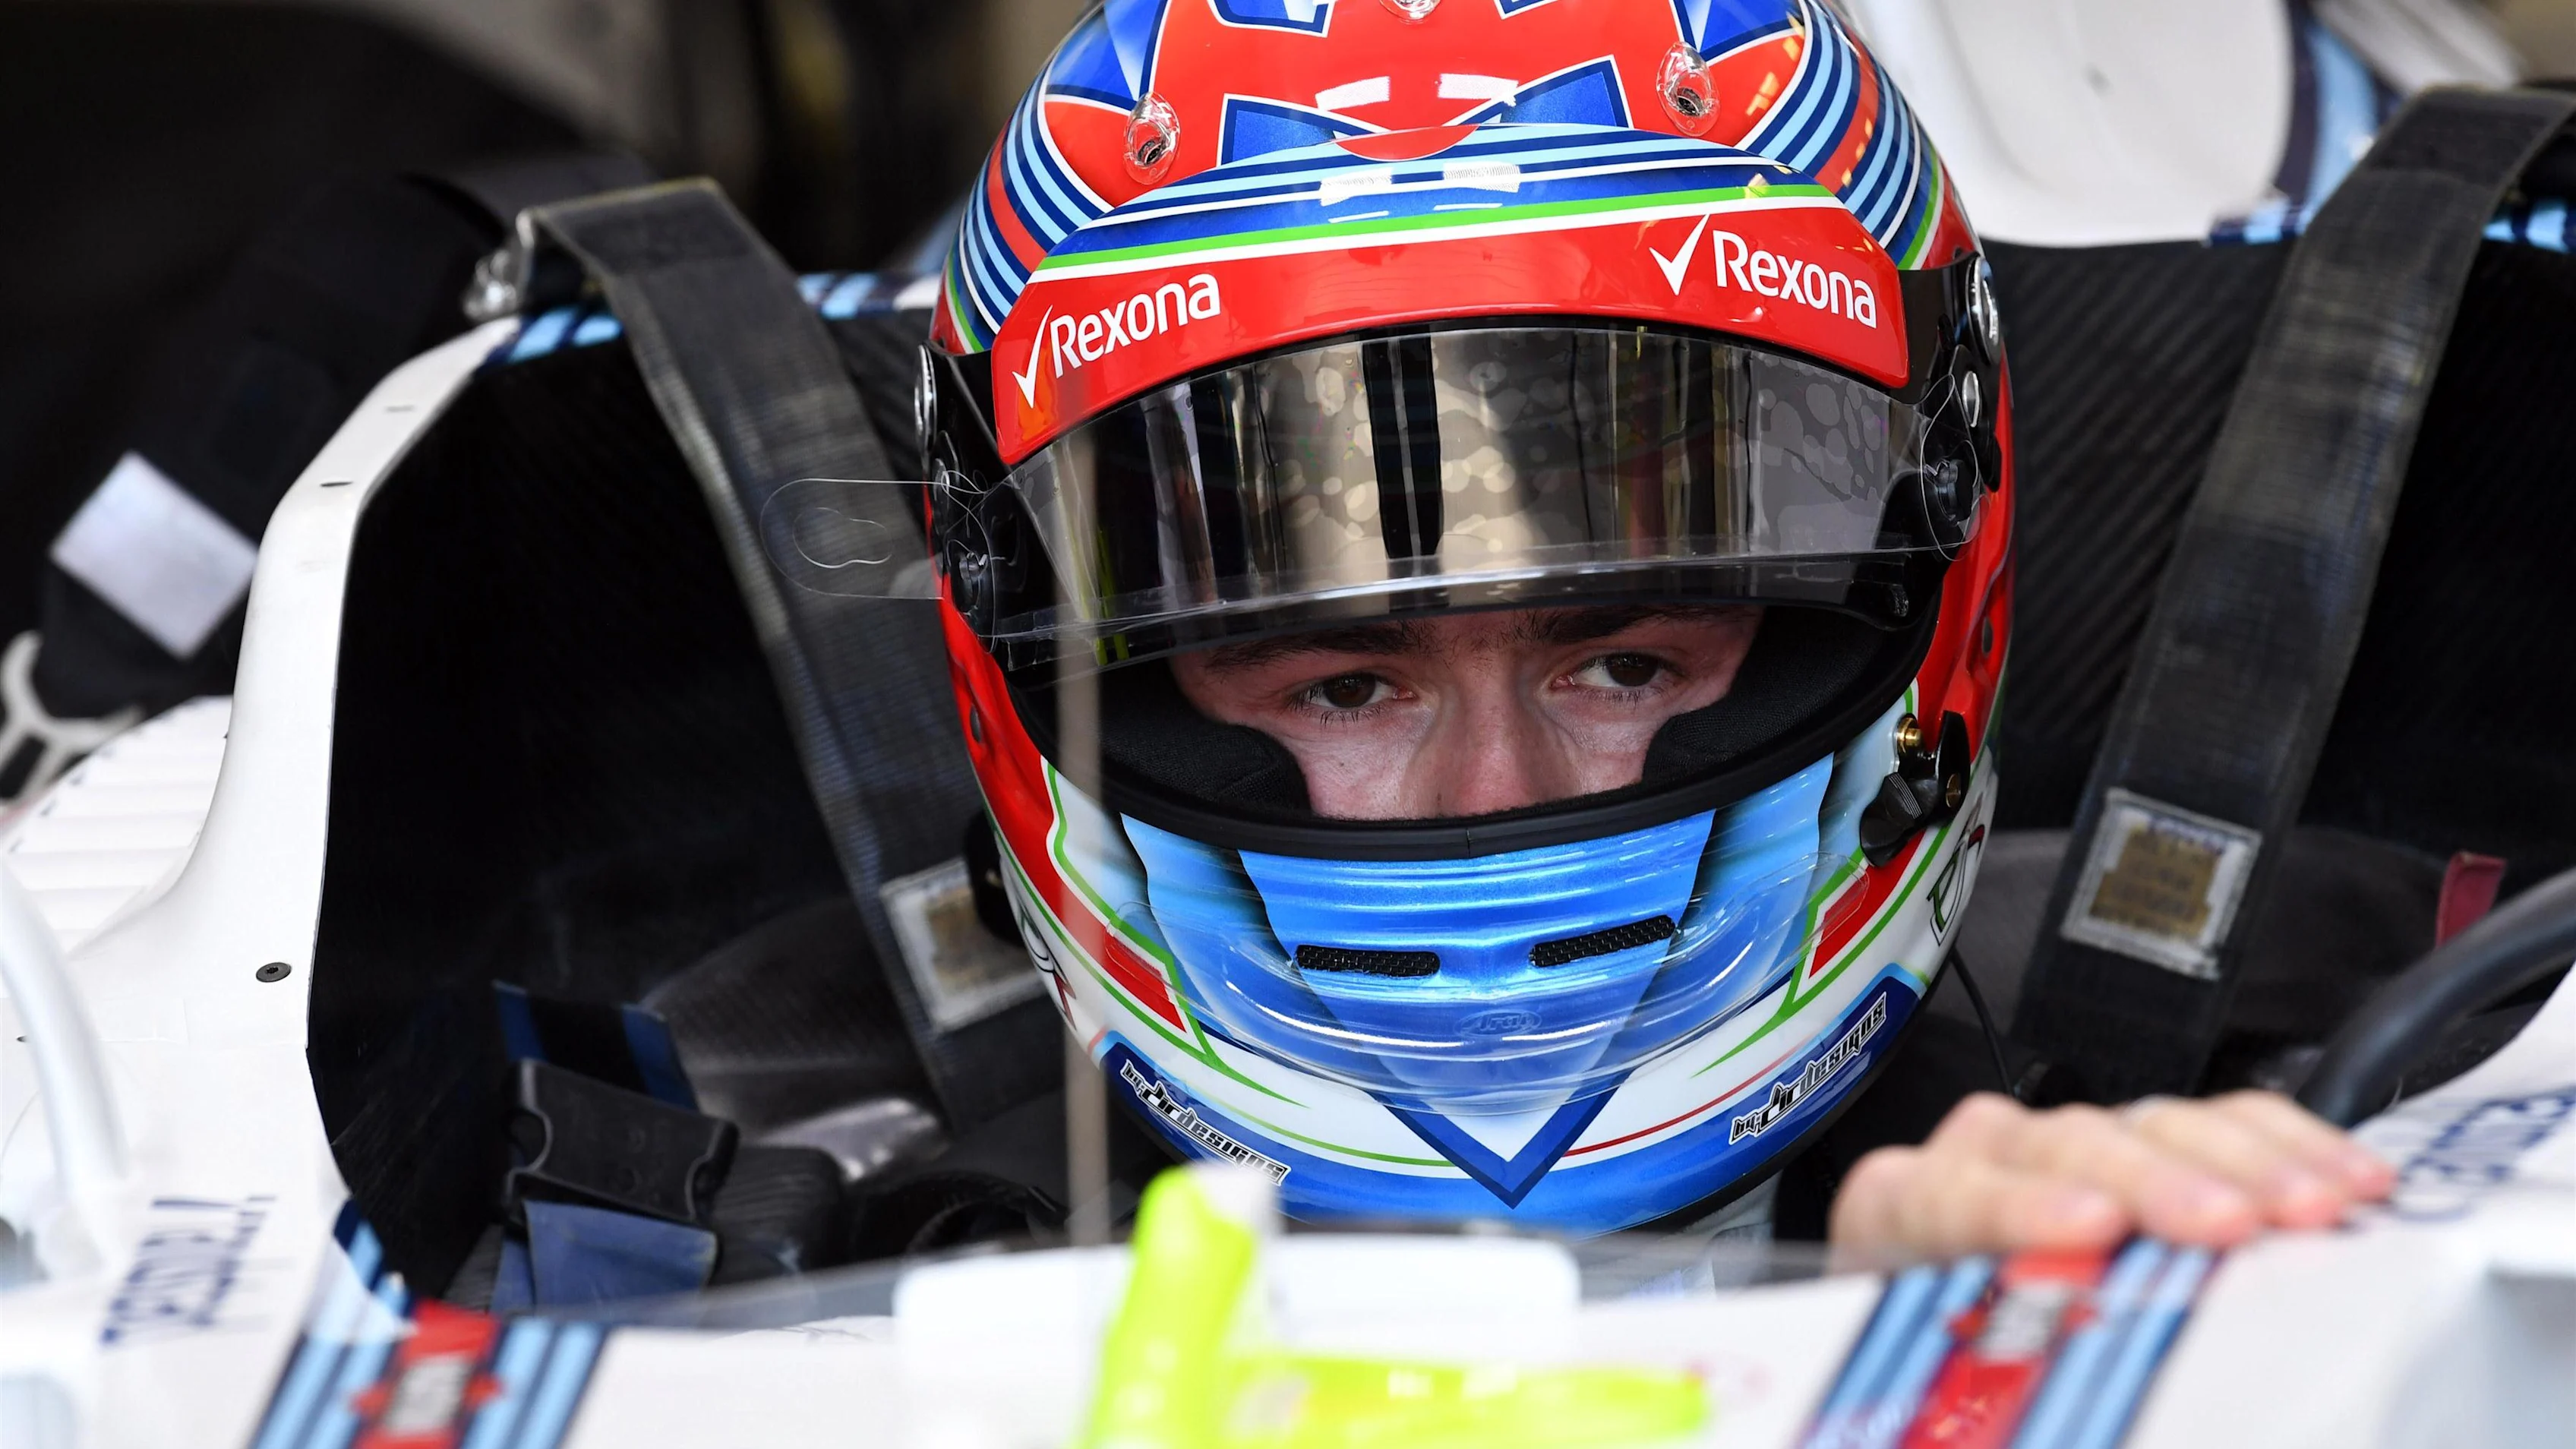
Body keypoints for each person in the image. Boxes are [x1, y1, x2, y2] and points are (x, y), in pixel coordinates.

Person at [908, 0, 2394, 1258]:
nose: (1495, 794)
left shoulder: (2058, 1213)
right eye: (1345, 683)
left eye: (1621, 665)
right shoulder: (868, 1295)